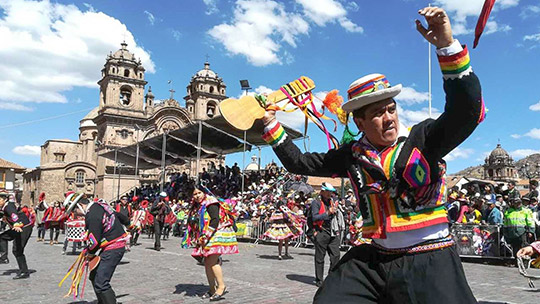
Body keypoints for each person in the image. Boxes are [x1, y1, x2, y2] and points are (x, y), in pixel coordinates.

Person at [261, 6, 481, 303]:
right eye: (378, 113)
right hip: (376, 260)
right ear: (360, 122)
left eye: (391, 109)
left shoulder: (425, 139)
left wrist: (446, 45)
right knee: (329, 299)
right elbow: (299, 162)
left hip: (430, 258)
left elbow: (465, 111)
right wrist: (270, 125)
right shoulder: (352, 155)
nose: (389, 118)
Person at [63, 194, 128, 304]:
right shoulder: (100, 206)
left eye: (74, 211)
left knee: (101, 282)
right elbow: (121, 217)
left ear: (80, 205)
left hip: (114, 247)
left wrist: (89, 252)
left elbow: (94, 240)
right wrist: (128, 224)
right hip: (111, 245)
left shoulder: (92, 214)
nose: (76, 214)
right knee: (94, 276)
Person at [184, 185, 238, 301]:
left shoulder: (211, 202)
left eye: (199, 193)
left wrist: (205, 236)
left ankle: (221, 286)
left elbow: (215, 220)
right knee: (208, 262)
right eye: (194, 194)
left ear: (204, 192)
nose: (197, 196)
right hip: (209, 234)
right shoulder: (197, 206)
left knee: (212, 261)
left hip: (218, 232)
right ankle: (212, 288)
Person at [308, 183, 343, 287]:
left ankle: (331, 276)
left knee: (336, 255)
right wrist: (328, 213)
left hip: (332, 231)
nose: (329, 193)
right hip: (321, 231)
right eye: (327, 191)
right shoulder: (316, 203)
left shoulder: (332, 202)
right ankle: (319, 280)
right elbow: (315, 217)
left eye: (330, 191)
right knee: (320, 257)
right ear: (322, 191)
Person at [0, 190, 33, 279]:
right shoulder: (3, 207)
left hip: (23, 228)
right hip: (17, 228)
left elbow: (14, 215)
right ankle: (4, 258)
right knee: (2, 237)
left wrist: (17, 224)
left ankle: (24, 272)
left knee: (17, 250)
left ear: (4, 200)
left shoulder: (8, 207)